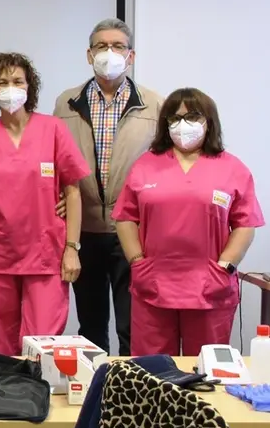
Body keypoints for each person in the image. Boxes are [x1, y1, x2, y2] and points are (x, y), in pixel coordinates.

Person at [0, 53, 89, 428]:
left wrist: (72, 247)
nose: (10, 88)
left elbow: (72, 191)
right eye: (2, 82)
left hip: (46, 257)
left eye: (17, 80)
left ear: (29, 87)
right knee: (3, 347)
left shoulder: (52, 130)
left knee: (45, 346)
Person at [113, 88, 264, 356]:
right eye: (175, 118)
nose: (183, 125)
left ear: (209, 122)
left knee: (206, 372)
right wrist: (137, 261)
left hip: (209, 286)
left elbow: (245, 223)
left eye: (192, 117)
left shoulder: (232, 169)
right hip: (154, 285)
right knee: (153, 374)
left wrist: (225, 266)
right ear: (165, 124)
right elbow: (125, 217)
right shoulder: (145, 165)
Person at [54, 18, 162, 355]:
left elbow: (164, 166)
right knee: (90, 328)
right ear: (89, 55)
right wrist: (58, 197)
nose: (109, 53)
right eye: (101, 46)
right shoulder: (66, 103)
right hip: (83, 230)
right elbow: (53, 161)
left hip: (133, 231)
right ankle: (94, 399)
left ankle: (130, 399)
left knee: (133, 325)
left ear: (131, 56)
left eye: (117, 46)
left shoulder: (155, 105)